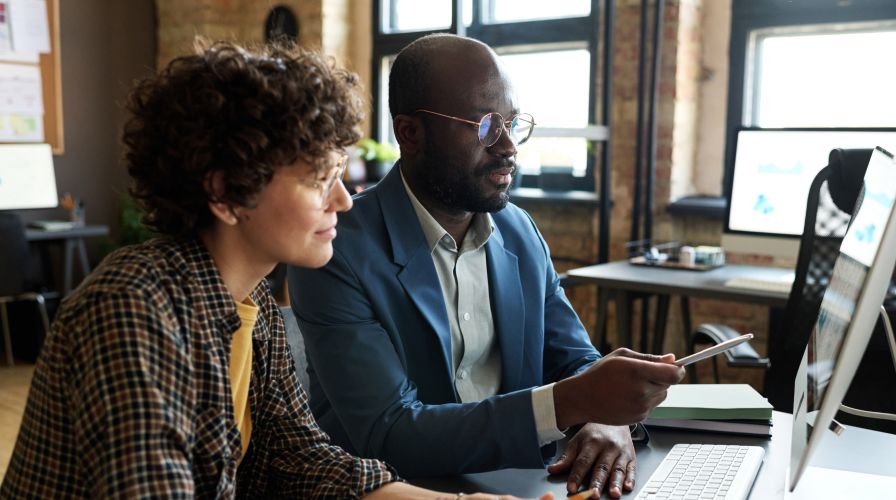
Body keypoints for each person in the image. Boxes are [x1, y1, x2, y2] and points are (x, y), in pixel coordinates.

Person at [0, 40, 546, 500]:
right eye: (318, 178)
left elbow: (298, 457)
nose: (344, 201)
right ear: (225, 190)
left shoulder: (253, 305)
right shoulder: (132, 308)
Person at [288, 34, 686, 499]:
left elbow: (575, 359)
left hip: (524, 483)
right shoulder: (336, 247)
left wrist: (605, 415)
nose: (507, 146)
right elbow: (390, 433)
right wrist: (574, 401)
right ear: (410, 132)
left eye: (513, 123)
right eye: (483, 124)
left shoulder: (519, 231)